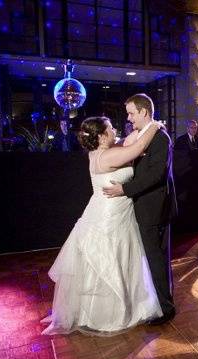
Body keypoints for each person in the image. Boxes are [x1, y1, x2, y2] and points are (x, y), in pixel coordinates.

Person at [41, 116, 164, 335]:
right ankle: (106, 314)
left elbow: (131, 140)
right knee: (108, 261)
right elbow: (138, 146)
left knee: (116, 260)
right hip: (109, 216)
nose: (115, 128)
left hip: (114, 212)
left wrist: (143, 124)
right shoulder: (107, 156)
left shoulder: (103, 152)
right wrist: (154, 125)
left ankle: (100, 310)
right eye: (111, 127)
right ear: (101, 135)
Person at [103, 94, 176, 325]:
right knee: (152, 258)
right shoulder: (140, 137)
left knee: (156, 258)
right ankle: (158, 302)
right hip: (145, 206)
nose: (128, 118)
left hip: (153, 207)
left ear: (144, 112)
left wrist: (124, 189)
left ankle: (166, 309)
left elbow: (156, 175)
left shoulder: (160, 138)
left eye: (132, 113)